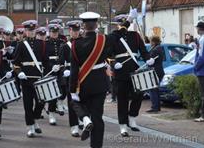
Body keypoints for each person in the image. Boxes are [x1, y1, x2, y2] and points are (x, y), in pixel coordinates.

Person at [70, 12, 118, 147]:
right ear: (96, 25)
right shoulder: (104, 39)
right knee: (97, 116)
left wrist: (72, 89)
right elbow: (118, 34)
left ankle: (85, 119)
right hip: (100, 84)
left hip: (83, 83)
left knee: (74, 102)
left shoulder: (75, 44)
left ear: (83, 26)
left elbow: (74, 69)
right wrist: (129, 20)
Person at [112, 12, 153, 137]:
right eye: (120, 23)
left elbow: (143, 51)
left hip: (134, 70)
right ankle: (123, 125)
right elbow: (108, 54)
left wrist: (148, 59)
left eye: (123, 23)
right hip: (120, 72)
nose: (122, 25)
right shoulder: (114, 36)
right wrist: (114, 63)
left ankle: (132, 117)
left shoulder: (135, 36)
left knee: (138, 94)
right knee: (122, 99)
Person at [12, 20, 48, 137]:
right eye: (29, 31)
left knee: (40, 102)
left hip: (38, 78)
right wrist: (19, 72)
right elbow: (16, 63)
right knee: (28, 104)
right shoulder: (21, 44)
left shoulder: (41, 44)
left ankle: (35, 119)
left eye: (33, 31)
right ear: (25, 32)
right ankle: (31, 127)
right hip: (26, 78)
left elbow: (46, 62)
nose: (31, 32)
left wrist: (53, 69)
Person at [58, 20, 81, 137]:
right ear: (69, 31)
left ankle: (82, 119)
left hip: (82, 75)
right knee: (72, 102)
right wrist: (64, 70)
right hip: (70, 76)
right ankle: (74, 126)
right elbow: (60, 63)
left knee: (83, 100)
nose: (75, 33)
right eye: (73, 31)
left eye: (77, 31)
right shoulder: (65, 46)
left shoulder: (83, 43)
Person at [46, 24, 65, 125]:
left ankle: (60, 101)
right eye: (53, 32)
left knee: (64, 88)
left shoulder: (62, 42)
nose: (54, 34)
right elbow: (44, 58)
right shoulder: (46, 43)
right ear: (49, 33)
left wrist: (61, 65)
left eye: (56, 33)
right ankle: (51, 114)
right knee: (52, 93)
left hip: (61, 68)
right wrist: (50, 66)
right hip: (50, 69)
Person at [146, 36, 164, 113]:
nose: (150, 42)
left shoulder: (155, 49)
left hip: (154, 71)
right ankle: (157, 107)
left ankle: (155, 107)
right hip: (158, 71)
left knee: (152, 89)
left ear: (153, 41)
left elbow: (150, 60)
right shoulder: (159, 48)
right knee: (155, 89)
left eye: (151, 41)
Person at [194, 21, 204, 122]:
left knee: (202, 95)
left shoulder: (202, 40)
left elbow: (201, 57)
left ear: (200, 29)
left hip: (202, 71)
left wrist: (196, 66)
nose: (196, 30)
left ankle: (203, 116)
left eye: (197, 28)